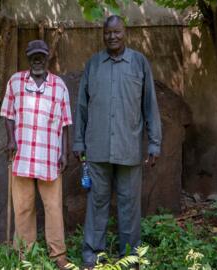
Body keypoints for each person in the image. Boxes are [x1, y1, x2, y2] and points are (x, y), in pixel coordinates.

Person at [72, 15, 162, 269]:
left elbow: (150, 106)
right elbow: (81, 107)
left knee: (129, 206)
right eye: (108, 32)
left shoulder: (139, 63)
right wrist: (78, 141)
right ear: (103, 34)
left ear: (125, 33)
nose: (112, 37)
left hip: (129, 149)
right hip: (97, 149)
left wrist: (154, 143)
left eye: (117, 32)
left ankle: (131, 256)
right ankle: (92, 254)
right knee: (97, 202)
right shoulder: (93, 64)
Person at [0, 39, 72, 269]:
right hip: (22, 154)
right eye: (33, 57)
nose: (38, 60)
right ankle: (24, 254)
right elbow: (8, 115)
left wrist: (65, 153)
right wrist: (11, 139)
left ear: (48, 57)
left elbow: (66, 123)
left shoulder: (59, 86)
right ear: (28, 59)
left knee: (53, 208)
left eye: (41, 56)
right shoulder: (15, 82)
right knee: (23, 207)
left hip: (50, 155)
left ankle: (58, 256)